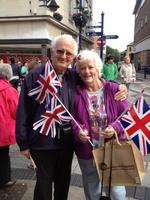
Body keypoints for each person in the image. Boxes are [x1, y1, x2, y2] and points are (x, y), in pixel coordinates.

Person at [16, 34, 127, 200]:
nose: (64, 56)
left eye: (69, 53)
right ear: (51, 53)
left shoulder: (73, 76)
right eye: (60, 51)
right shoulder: (35, 76)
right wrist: (23, 143)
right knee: (44, 184)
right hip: (42, 141)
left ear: (73, 57)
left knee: (63, 183)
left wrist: (119, 86)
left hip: (66, 143)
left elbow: (92, 76)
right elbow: (23, 110)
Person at [72, 50, 128, 200]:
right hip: (87, 150)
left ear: (98, 68)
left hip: (112, 148)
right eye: (82, 68)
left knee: (116, 190)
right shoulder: (76, 94)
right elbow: (71, 119)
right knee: (92, 189)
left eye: (90, 67)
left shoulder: (114, 89)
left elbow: (127, 116)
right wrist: (78, 131)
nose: (86, 71)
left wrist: (115, 128)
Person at [0, 63, 19, 188]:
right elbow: (16, 112)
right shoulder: (9, 90)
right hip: (3, 130)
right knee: (3, 157)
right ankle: (4, 180)